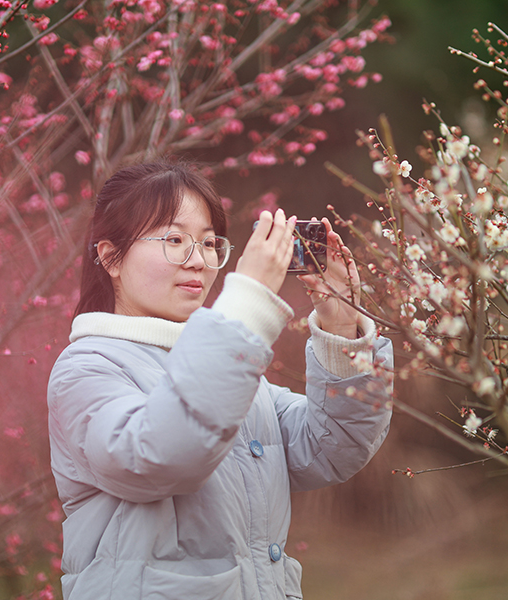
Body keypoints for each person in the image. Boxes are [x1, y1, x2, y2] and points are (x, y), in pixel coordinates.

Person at [47, 159, 393, 600]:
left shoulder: (228, 368)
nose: (199, 261)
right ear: (111, 257)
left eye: (210, 243)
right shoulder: (87, 368)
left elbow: (333, 446)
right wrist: (248, 307)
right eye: (175, 240)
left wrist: (342, 326)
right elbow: (161, 457)